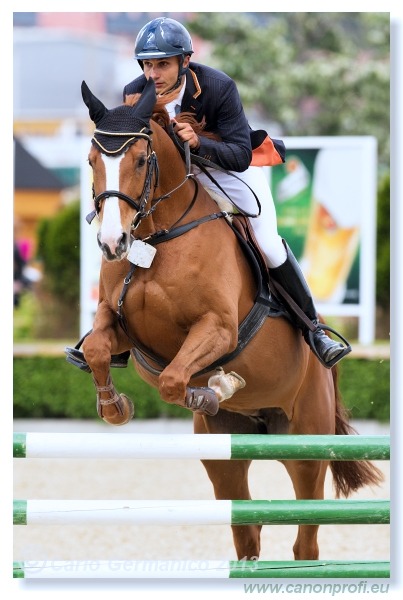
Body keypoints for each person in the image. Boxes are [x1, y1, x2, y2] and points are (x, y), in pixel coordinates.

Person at [122, 17, 350, 368]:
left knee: (269, 242)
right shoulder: (134, 91)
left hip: (227, 168)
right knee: (131, 231)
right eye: (148, 64)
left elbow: (241, 156)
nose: (153, 74)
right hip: (176, 178)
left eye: (163, 64)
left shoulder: (217, 86)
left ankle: (314, 330)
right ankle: (120, 330)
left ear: (185, 61)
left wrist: (199, 143)